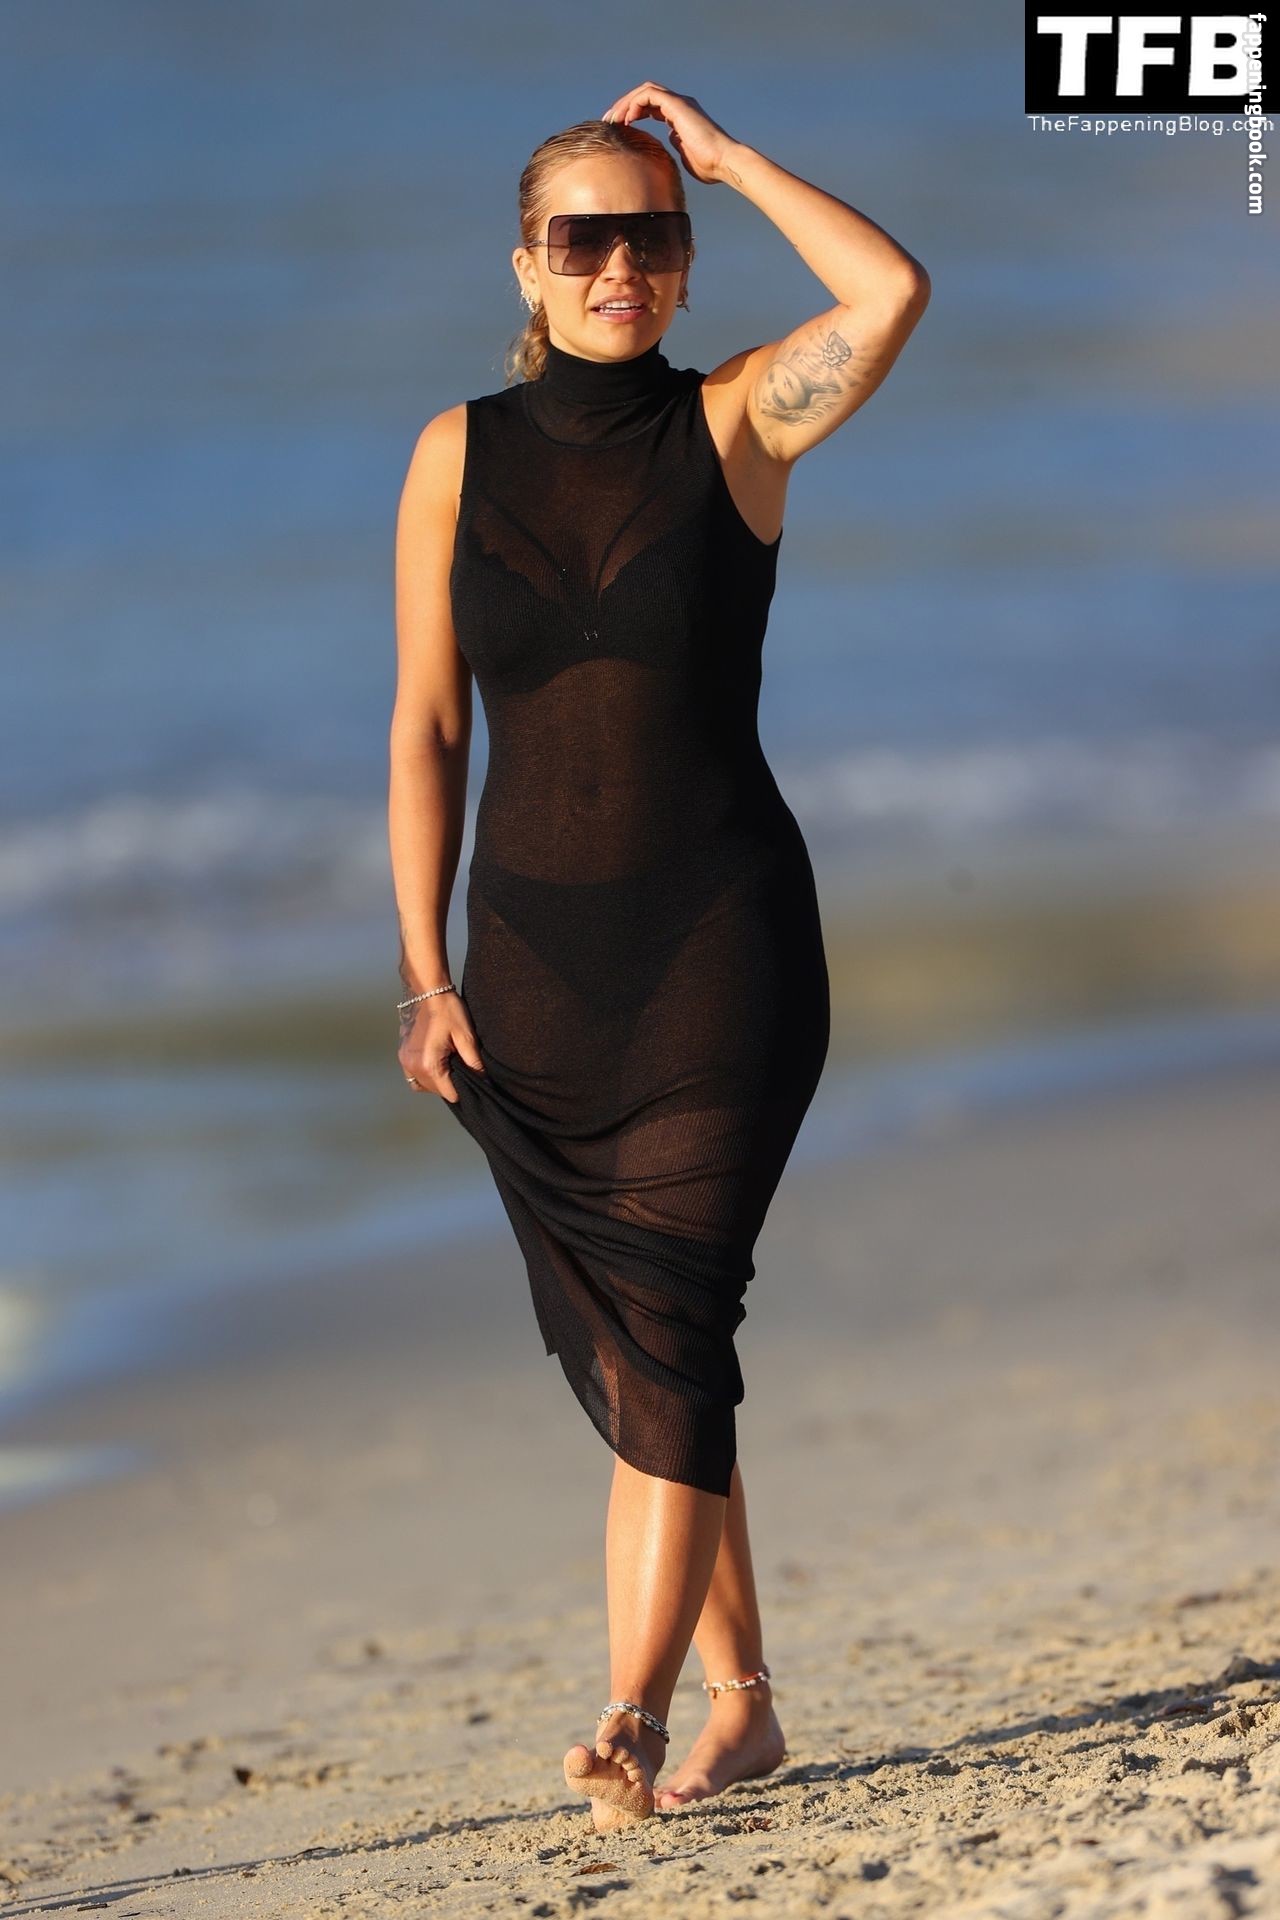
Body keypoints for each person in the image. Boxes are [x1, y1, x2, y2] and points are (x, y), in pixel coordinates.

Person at [388, 82, 929, 1832]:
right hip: (528, 973)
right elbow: (426, 728)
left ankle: (628, 1712)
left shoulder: (738, 426)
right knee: (641, 1356)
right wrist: (424, 971)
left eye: (652, 235)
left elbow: (889, 294)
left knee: (677, 1326)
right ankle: (744, 1704)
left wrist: (738, 160)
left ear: (685, 262)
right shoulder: (454, 455)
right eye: (585, 237)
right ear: (528, 266)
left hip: (719, 954)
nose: (619, 264)